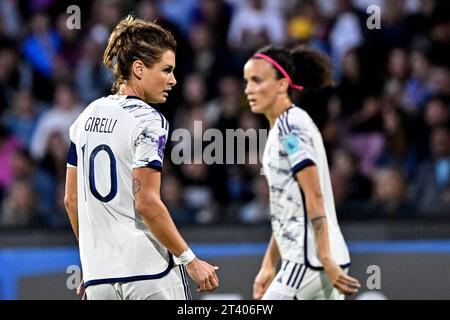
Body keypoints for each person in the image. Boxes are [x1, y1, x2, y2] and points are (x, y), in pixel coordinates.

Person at [64, 15, 219, 300]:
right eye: (166, 70)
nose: (173, 80)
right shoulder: (149, 120)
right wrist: (191, 261)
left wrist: (92, 262)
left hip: (99, 278)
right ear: (138, 69)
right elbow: (146, 202)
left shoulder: (84, 118)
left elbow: (71, 200)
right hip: (149, 274)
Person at [243, 45, 360, 300]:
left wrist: (326, 258)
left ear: (282, 84)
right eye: (246, 81)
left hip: (309, 260)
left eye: (256, 80)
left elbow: (314, 195)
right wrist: (268, 265)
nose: (248, 90)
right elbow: (290, 208)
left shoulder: (290, 128)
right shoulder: (283, 128)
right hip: (320, 258)